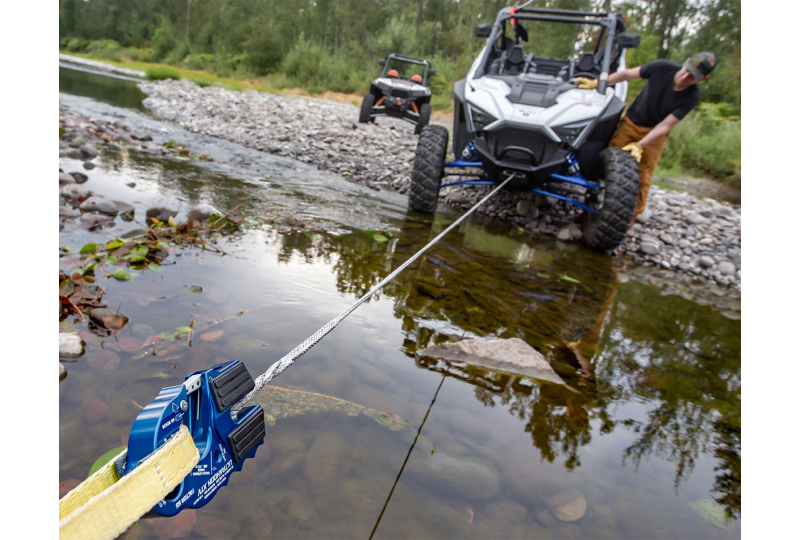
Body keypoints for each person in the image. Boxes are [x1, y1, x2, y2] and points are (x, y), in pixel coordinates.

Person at [574, 52, 716, 217]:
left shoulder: (692, 97)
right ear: (686, 61)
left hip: (655, 133)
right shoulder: (663, 67)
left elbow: (666, 125)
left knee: (643, 174)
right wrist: (599, 83)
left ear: (702, 79)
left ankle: (632, 215)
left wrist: (640, 145)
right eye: (686, 70)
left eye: (691, 76)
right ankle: (594, 203)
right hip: (631, 122)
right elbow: (627, 74)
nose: (684, 77)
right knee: (610, 160)